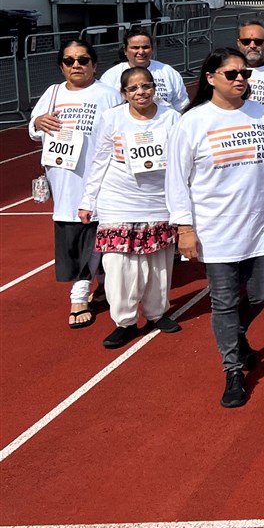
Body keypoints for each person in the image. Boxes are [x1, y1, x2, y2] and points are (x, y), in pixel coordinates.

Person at [166, 48, 264, 408]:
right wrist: (185, 228)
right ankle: (233, 369)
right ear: (210, 79)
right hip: (215, 230)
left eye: (245, 74)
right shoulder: (191, 122)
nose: (241, 79)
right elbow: (177, 181)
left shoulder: (261, 114)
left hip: (258, 226)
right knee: (223, 303)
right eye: (231, 74)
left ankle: (235, 337)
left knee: (262, 292)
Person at [79, 66, 182, 348]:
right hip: (118, 202)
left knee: (158, 265)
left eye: (146, 86)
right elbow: (98, 160)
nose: (141, 92)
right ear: (124, 93)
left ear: (154, 88)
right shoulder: (111, 118)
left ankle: (156, 313)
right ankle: (124, 322)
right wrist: (88, 200)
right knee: (120, 268)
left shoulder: (171, 118)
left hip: (158, 201)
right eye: (133, 88)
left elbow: (182, 163)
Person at [29, 40, 123, 329]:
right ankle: (105, 284)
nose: (76, 65)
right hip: (64, 179)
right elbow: (34, 130)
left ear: (94, 65)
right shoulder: (52, 93)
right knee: (74, 234)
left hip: (99, 178)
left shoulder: (107, 95)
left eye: (83, 60)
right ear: (61, 66)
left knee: (94, 231)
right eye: (69, 61)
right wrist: (39, 122)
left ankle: (79, 294)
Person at [98, 26, 189, 111]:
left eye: (145, 47)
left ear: (152, 49)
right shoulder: (111, 76)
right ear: (125, 50)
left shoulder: (168, 72)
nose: (141, 52)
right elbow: (104, 109)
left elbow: (181, 106)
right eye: (135, 48)